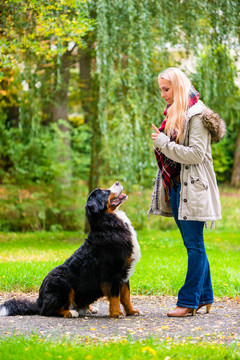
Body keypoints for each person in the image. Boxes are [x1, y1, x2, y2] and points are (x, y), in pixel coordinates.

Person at [149, 67, 225, 317]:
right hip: (179, 187)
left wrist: (164, 143)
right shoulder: (175, 113)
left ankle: (189, 301)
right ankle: (204, 297)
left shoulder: (197, 115)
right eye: (161, 89)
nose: (163, 94)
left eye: (166, 89)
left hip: (194, 189)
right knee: (194, 245)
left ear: (178, 87)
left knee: (194, 246)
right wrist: (164, 142)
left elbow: (196, 154)